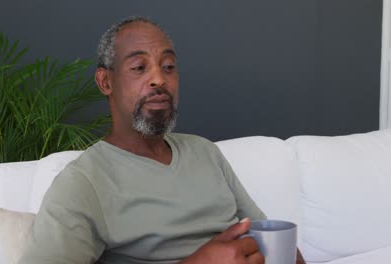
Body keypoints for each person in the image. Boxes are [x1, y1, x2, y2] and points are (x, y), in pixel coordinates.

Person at [19, 16, 305, 264]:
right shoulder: (84, 182)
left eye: (168, 66)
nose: (159, 79)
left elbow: (267, 235)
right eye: (139, 68)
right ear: (106, 82)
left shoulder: (204, 152)